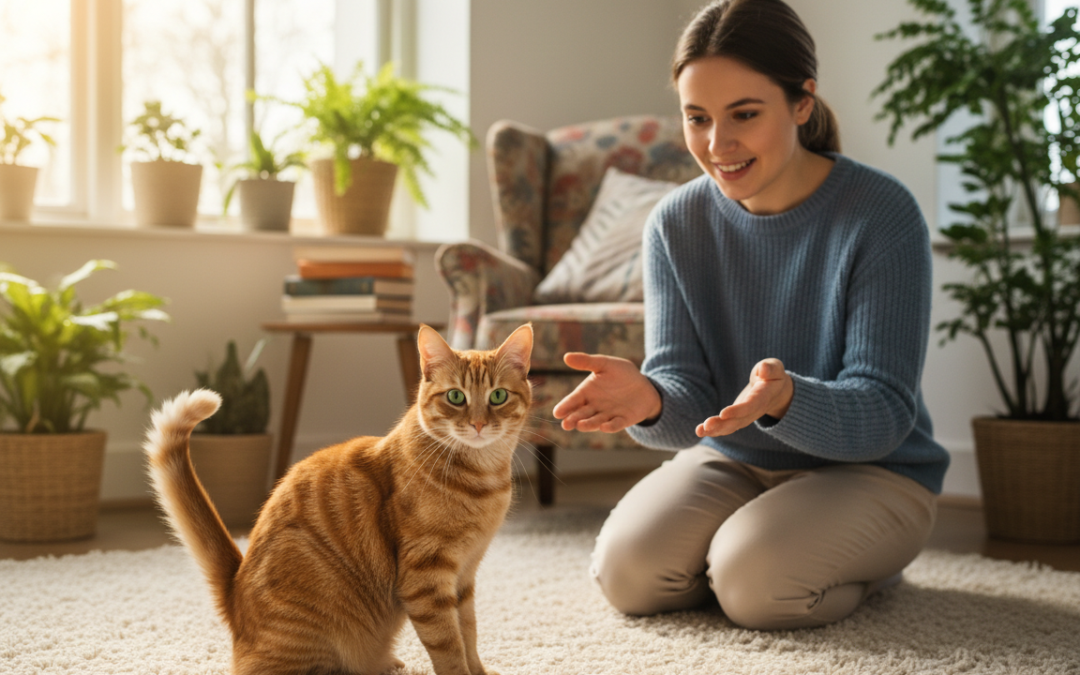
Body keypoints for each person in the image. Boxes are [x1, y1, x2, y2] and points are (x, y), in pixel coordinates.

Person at [552, 0, 950, 631]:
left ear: (802, 103)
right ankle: (754, 550)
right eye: (697, 118)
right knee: (628, 575)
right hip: (735, 460)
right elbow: (689, 401)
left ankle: (864, 564)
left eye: (744, 114)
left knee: (756, 589)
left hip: (873, 471)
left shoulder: (881, 214)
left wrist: (787, 400)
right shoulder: (676, 224)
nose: (718, 145)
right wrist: (650, 400)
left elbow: (884, 414)